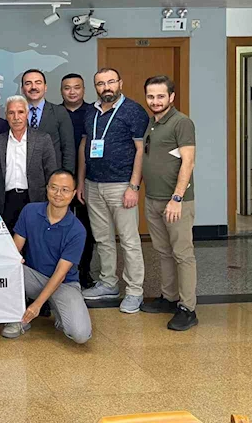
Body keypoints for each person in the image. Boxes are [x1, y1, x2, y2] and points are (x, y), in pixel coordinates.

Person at [78, 68, 149, 314]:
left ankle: (135, 291)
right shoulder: (90, 111)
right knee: (102, 239)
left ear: (120, 83)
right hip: (93, 184)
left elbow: (140, 150)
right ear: (95, 87)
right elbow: (85, 146)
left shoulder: (133, 111)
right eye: (100, 83)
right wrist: (81, 182)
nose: (106, 87)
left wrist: (133, 186)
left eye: (110, 82)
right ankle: (108, 283)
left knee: (129, 241)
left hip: (121, 186)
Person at [1, 170, 92, 345]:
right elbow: (14, 251)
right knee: (7, 267)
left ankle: (57, 308)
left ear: (74, 193)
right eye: (54, 188)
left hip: (63, 284)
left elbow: (61, 274)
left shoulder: (77, 230)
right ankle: (16, 317)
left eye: (65, 190)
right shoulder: (30, 211)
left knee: (80, 335)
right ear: (47, 188)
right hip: (34, 278)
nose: (58, 194)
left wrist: (37, 305)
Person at [140, 76, 198, 331]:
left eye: (160, 96)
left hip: (175, 202)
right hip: (153, 199)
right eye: (151, 96)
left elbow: (188, 162)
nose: (155, 101)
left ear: (171, 97)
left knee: (182, 254)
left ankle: (188, 308)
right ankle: (169, 297)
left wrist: (177, 198)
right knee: (164, 252)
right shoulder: (152, 122)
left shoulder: (181, 122)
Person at [0, 95, 56, 232]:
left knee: (34, 239)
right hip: (6, 201)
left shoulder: (42, 139)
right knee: (9, 240)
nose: (16, 117)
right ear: (6, 116)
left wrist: (49, 203)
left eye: (20, 112)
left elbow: (51, 174)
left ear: (27, 114)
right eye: (11, 113)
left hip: (34, 200)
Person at [61, 73, 97, 287]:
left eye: (77, 87)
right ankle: (61, 271)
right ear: (61, 91)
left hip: (88, 179)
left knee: (86, 228)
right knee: (60, 227)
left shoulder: (93, 112)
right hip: (60, 180)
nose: (72, 91)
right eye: (67, 88)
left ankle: (84, 271)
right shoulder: (55, 113)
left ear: (84, 89)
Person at [21, 69, 76, 172]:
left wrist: (67, 176)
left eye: (38, 83)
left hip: (53, 174)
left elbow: (68, 148)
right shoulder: (16, 113)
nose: (33, 87)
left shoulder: (59, 112)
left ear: (45, 87)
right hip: (24, 174)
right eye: (28, 83)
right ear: (22, 89)